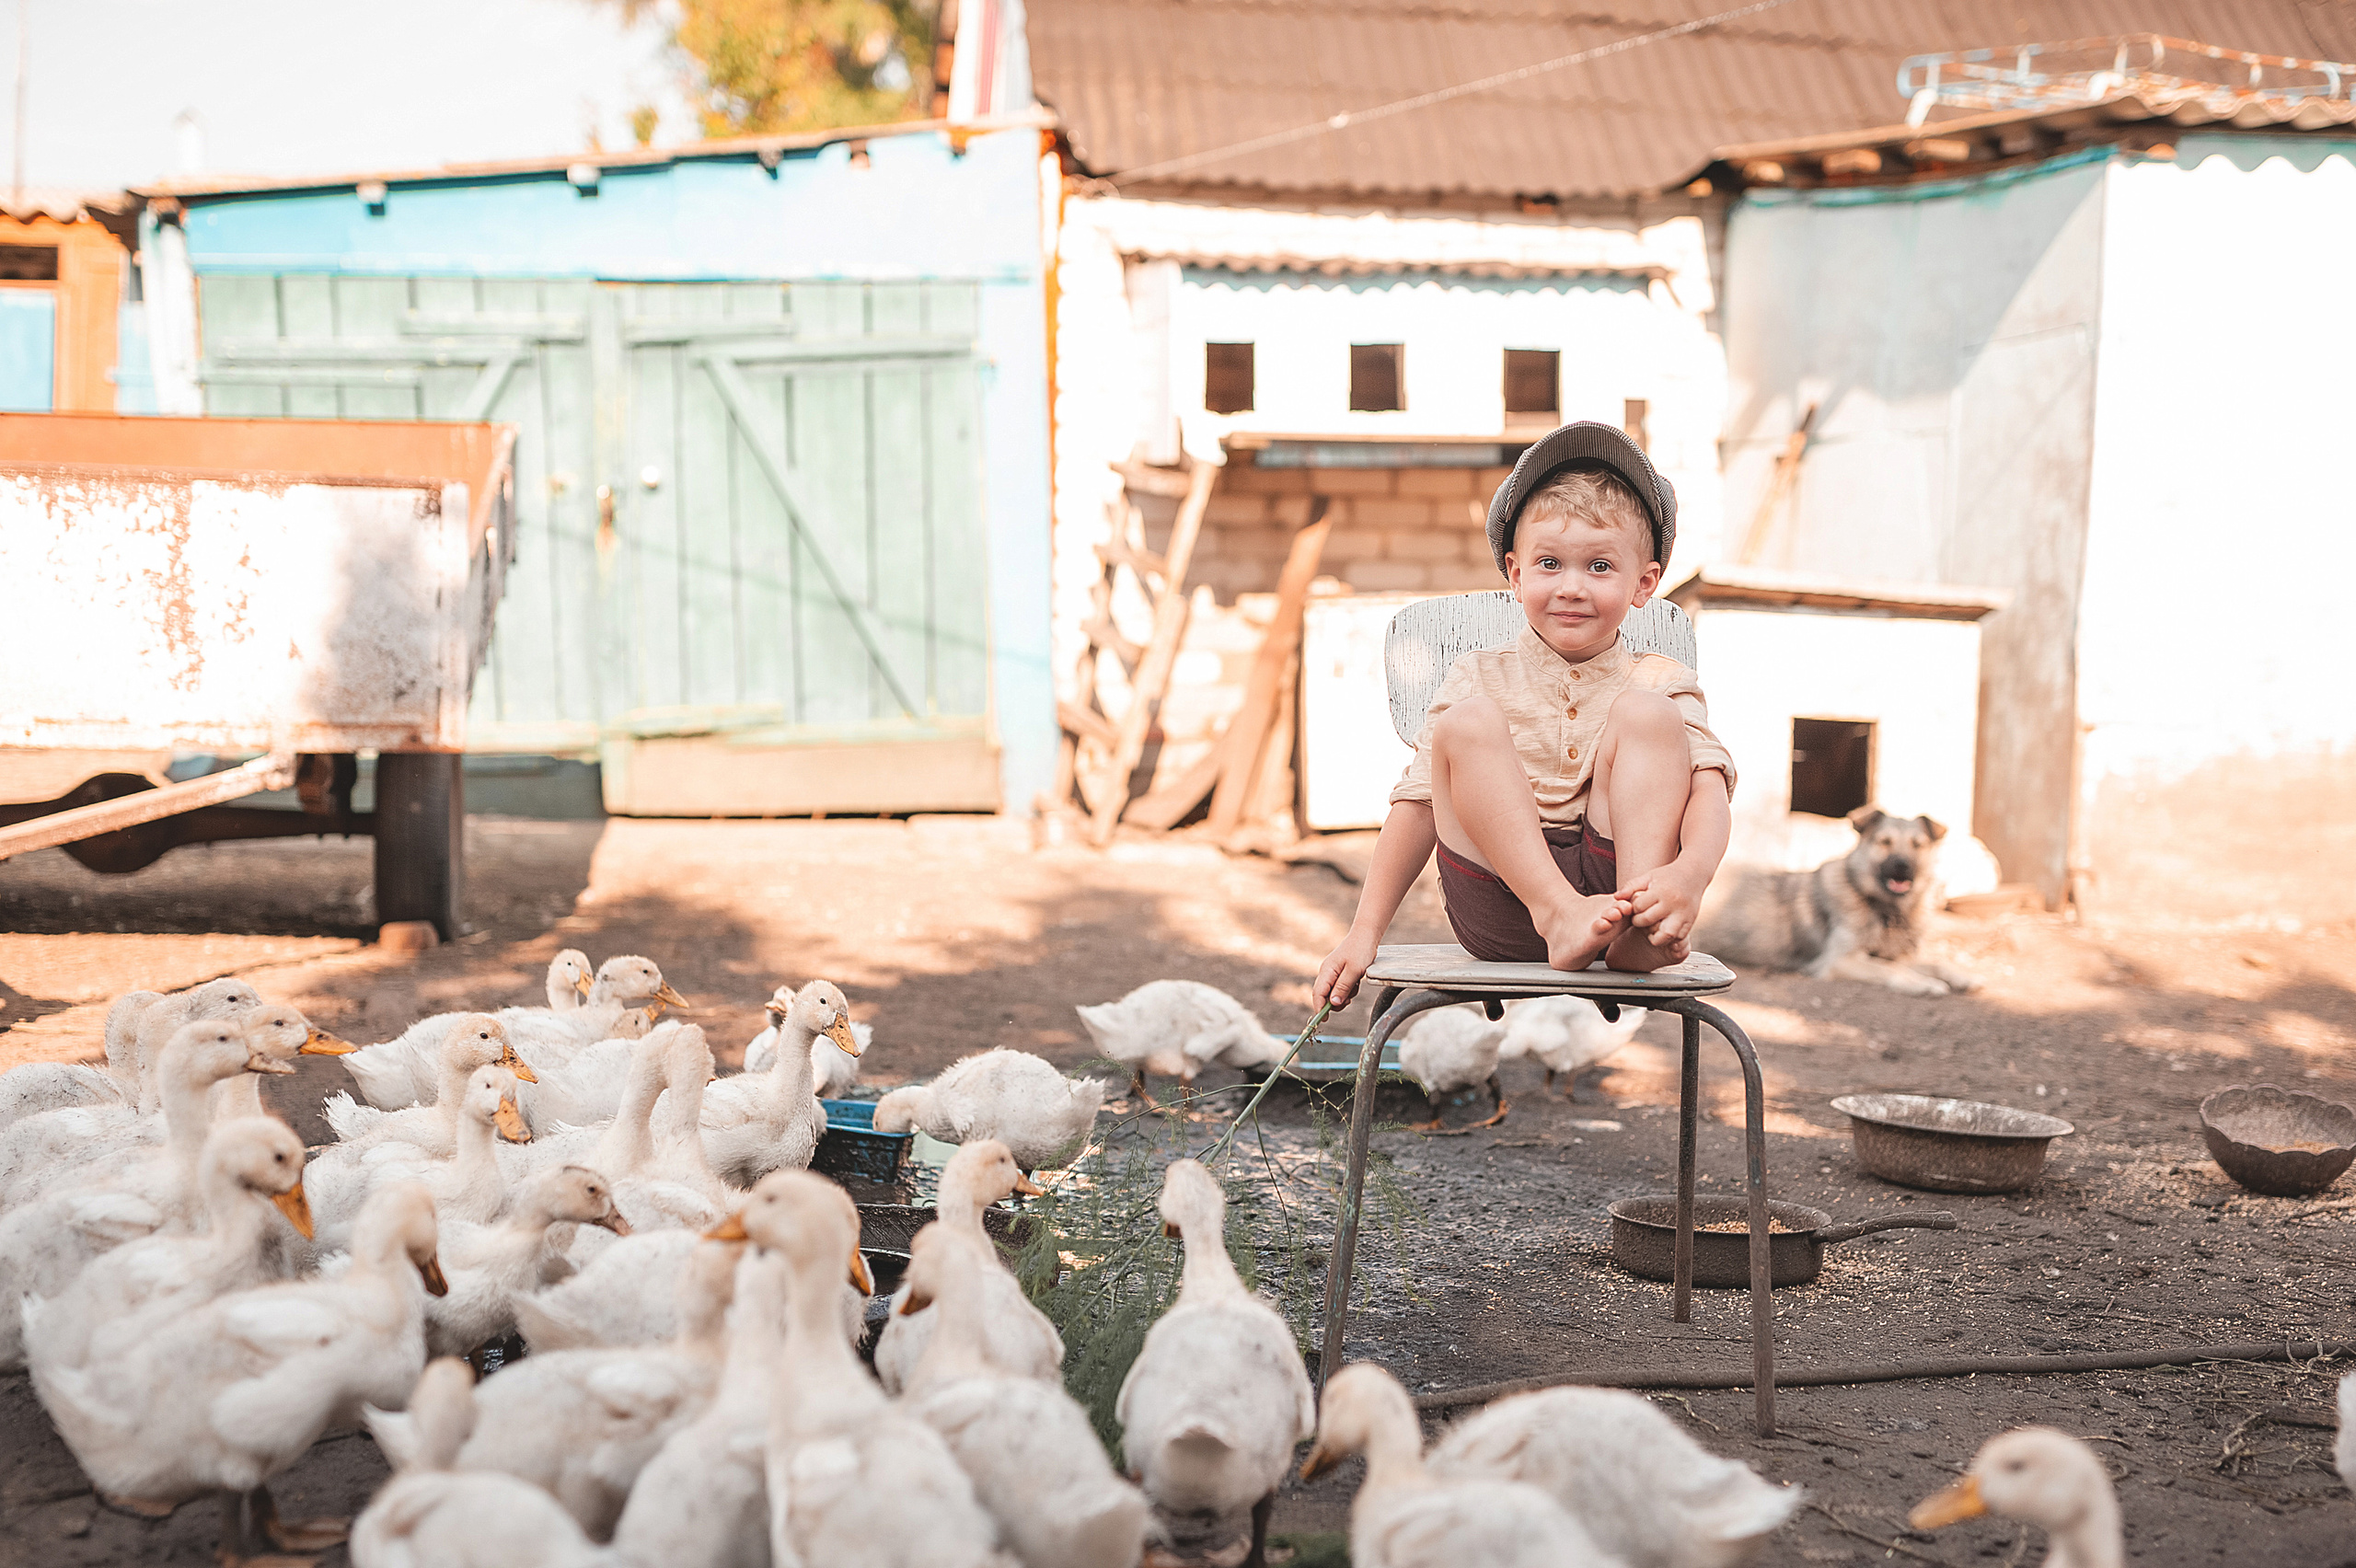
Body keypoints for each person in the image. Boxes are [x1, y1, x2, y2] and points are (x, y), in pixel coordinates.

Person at [1312, 422, 1736, 1009]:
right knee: (1467, 723)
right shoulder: (1477, 674)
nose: (1570, 587)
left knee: (1649, 715)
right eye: (1549, 563)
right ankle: (1558, 913)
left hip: (1614, 897)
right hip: (1500, 905)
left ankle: (1642, 930)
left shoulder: (1662, 678)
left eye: (1599, 567)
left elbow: (1709, 787)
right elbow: (1416, 807)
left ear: (1644, 585)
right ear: (1516, 575)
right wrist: (1364, 933)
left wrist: (1688, 877)